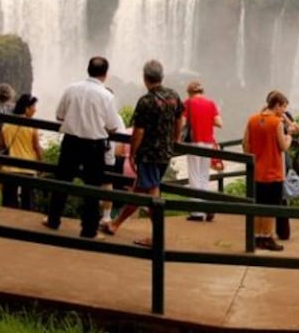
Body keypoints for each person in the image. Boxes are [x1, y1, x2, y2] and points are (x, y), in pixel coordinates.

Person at [100, 60, 183, 245]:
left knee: (150, 192)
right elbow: (180, 118)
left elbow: (139, 131)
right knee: (143, 190)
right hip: (165, 153)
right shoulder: (174, 96)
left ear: (145, 78)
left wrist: (132, 153)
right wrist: (176, 139)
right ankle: (115, 224)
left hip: (149, 154)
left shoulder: (146, 101)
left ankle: (157, 237)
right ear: (161, 76)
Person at [44, 57, 124, 238]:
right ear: (105, 74)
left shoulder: (71, 89)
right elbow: (113, 126)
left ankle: (53, 219)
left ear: (88, 70)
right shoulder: (107, 96)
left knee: (62, 181)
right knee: (92, 188)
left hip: (70, 142)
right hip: (94, 146)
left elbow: (59, 116)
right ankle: (88, 230)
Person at [243, 90, 293, 251]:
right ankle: (267, 237)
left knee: (258, 206)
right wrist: (289, 137)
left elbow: (246, 145)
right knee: (271, 208)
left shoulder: (252, 120)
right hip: (273, 172)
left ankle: (257, 236)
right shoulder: (277, 123)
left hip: (256, 171)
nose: (283, 111)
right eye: (283, 107)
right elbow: (283, 147)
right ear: (276, 105)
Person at [183, 79, 223, 222]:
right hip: (208, 143)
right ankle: (206, 206)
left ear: (189, 92)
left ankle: (197, 212)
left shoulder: (187, 103)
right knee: (204, 176)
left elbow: (182, 123)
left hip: (194, 142)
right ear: (202, 91)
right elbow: (219, 123)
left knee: (194, 175)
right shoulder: (211, 103)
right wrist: (206, 119)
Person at [1, 94, 43, 210]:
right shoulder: (31, 126)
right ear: (26, 109)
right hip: (27, 168)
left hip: (10, 167)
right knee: (28, 203)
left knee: (9, 203)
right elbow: (36, 147)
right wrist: (41, 162)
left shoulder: (7, 124)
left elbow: (4, 144)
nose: (35, 110)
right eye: (33, 107)